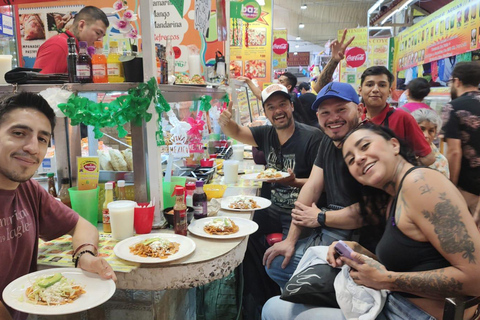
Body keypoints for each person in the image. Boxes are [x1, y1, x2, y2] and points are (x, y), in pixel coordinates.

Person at [262, 124, 480, 320]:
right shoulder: (394, 198)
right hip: (396, 304)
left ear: (394, 145)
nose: (358, 158)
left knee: (275, 309)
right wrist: (358, 252)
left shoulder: (421, 183)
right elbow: (416, 261)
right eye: (350, 159)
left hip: (417, 314)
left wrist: (387, 280)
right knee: (279, 304)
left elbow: (475, 278)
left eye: (365, 146)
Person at [0, 92, 116, 320]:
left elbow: (82, 225)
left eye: (42, 139)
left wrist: (84, 256)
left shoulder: (28, 190)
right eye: (19, 133)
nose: (33, 147)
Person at [219, 84, 322, 318]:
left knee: (283, 261)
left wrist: (294, 182)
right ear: (265, 113)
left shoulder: (312, 137)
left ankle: (286, 304)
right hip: (272, 207)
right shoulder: (266, 134)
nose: (278, 111)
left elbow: (320, 183)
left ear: (292, 106)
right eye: (271, 107)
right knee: (238, 233)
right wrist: (226, 120)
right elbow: (236, 132)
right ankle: (256, 301)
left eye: (282, 104)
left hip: (300, 211)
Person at [263, 82, 374, 290]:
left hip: (357, 245)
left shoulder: (368, 146)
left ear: (359, 110)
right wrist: (290, 240)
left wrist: (321, 217)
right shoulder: (328, 140)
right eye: (325, 113)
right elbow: (312, 187)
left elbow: (371, 211)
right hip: (330, 231)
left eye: (341, 109)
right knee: (275, 257)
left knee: (276, 266)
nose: (333, 118)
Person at [359, 66, 435, 166]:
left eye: (382, 85)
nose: (375, 89)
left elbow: (428, 157)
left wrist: (401, 171)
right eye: (369, 85)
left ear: (390, 91)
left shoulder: (403, 118)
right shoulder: (356, 120)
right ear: (360, 90)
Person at [442, 61, 480, 228]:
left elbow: (454, 151)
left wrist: (451, 185)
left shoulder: (453, 107)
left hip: (469, 185)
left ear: (457, 81)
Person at [34, 6, 109, 74]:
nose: (100, 40)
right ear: (81, 26)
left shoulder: (77, 49)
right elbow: (39, 85)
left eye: (103, 36)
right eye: (98, 33)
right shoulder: (58, 45)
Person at [411, 108, 449, 178]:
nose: (426, 135)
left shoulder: (441, 161)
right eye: (421, 129)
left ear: (435, 134)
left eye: (431, 131)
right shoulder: (402, 153)